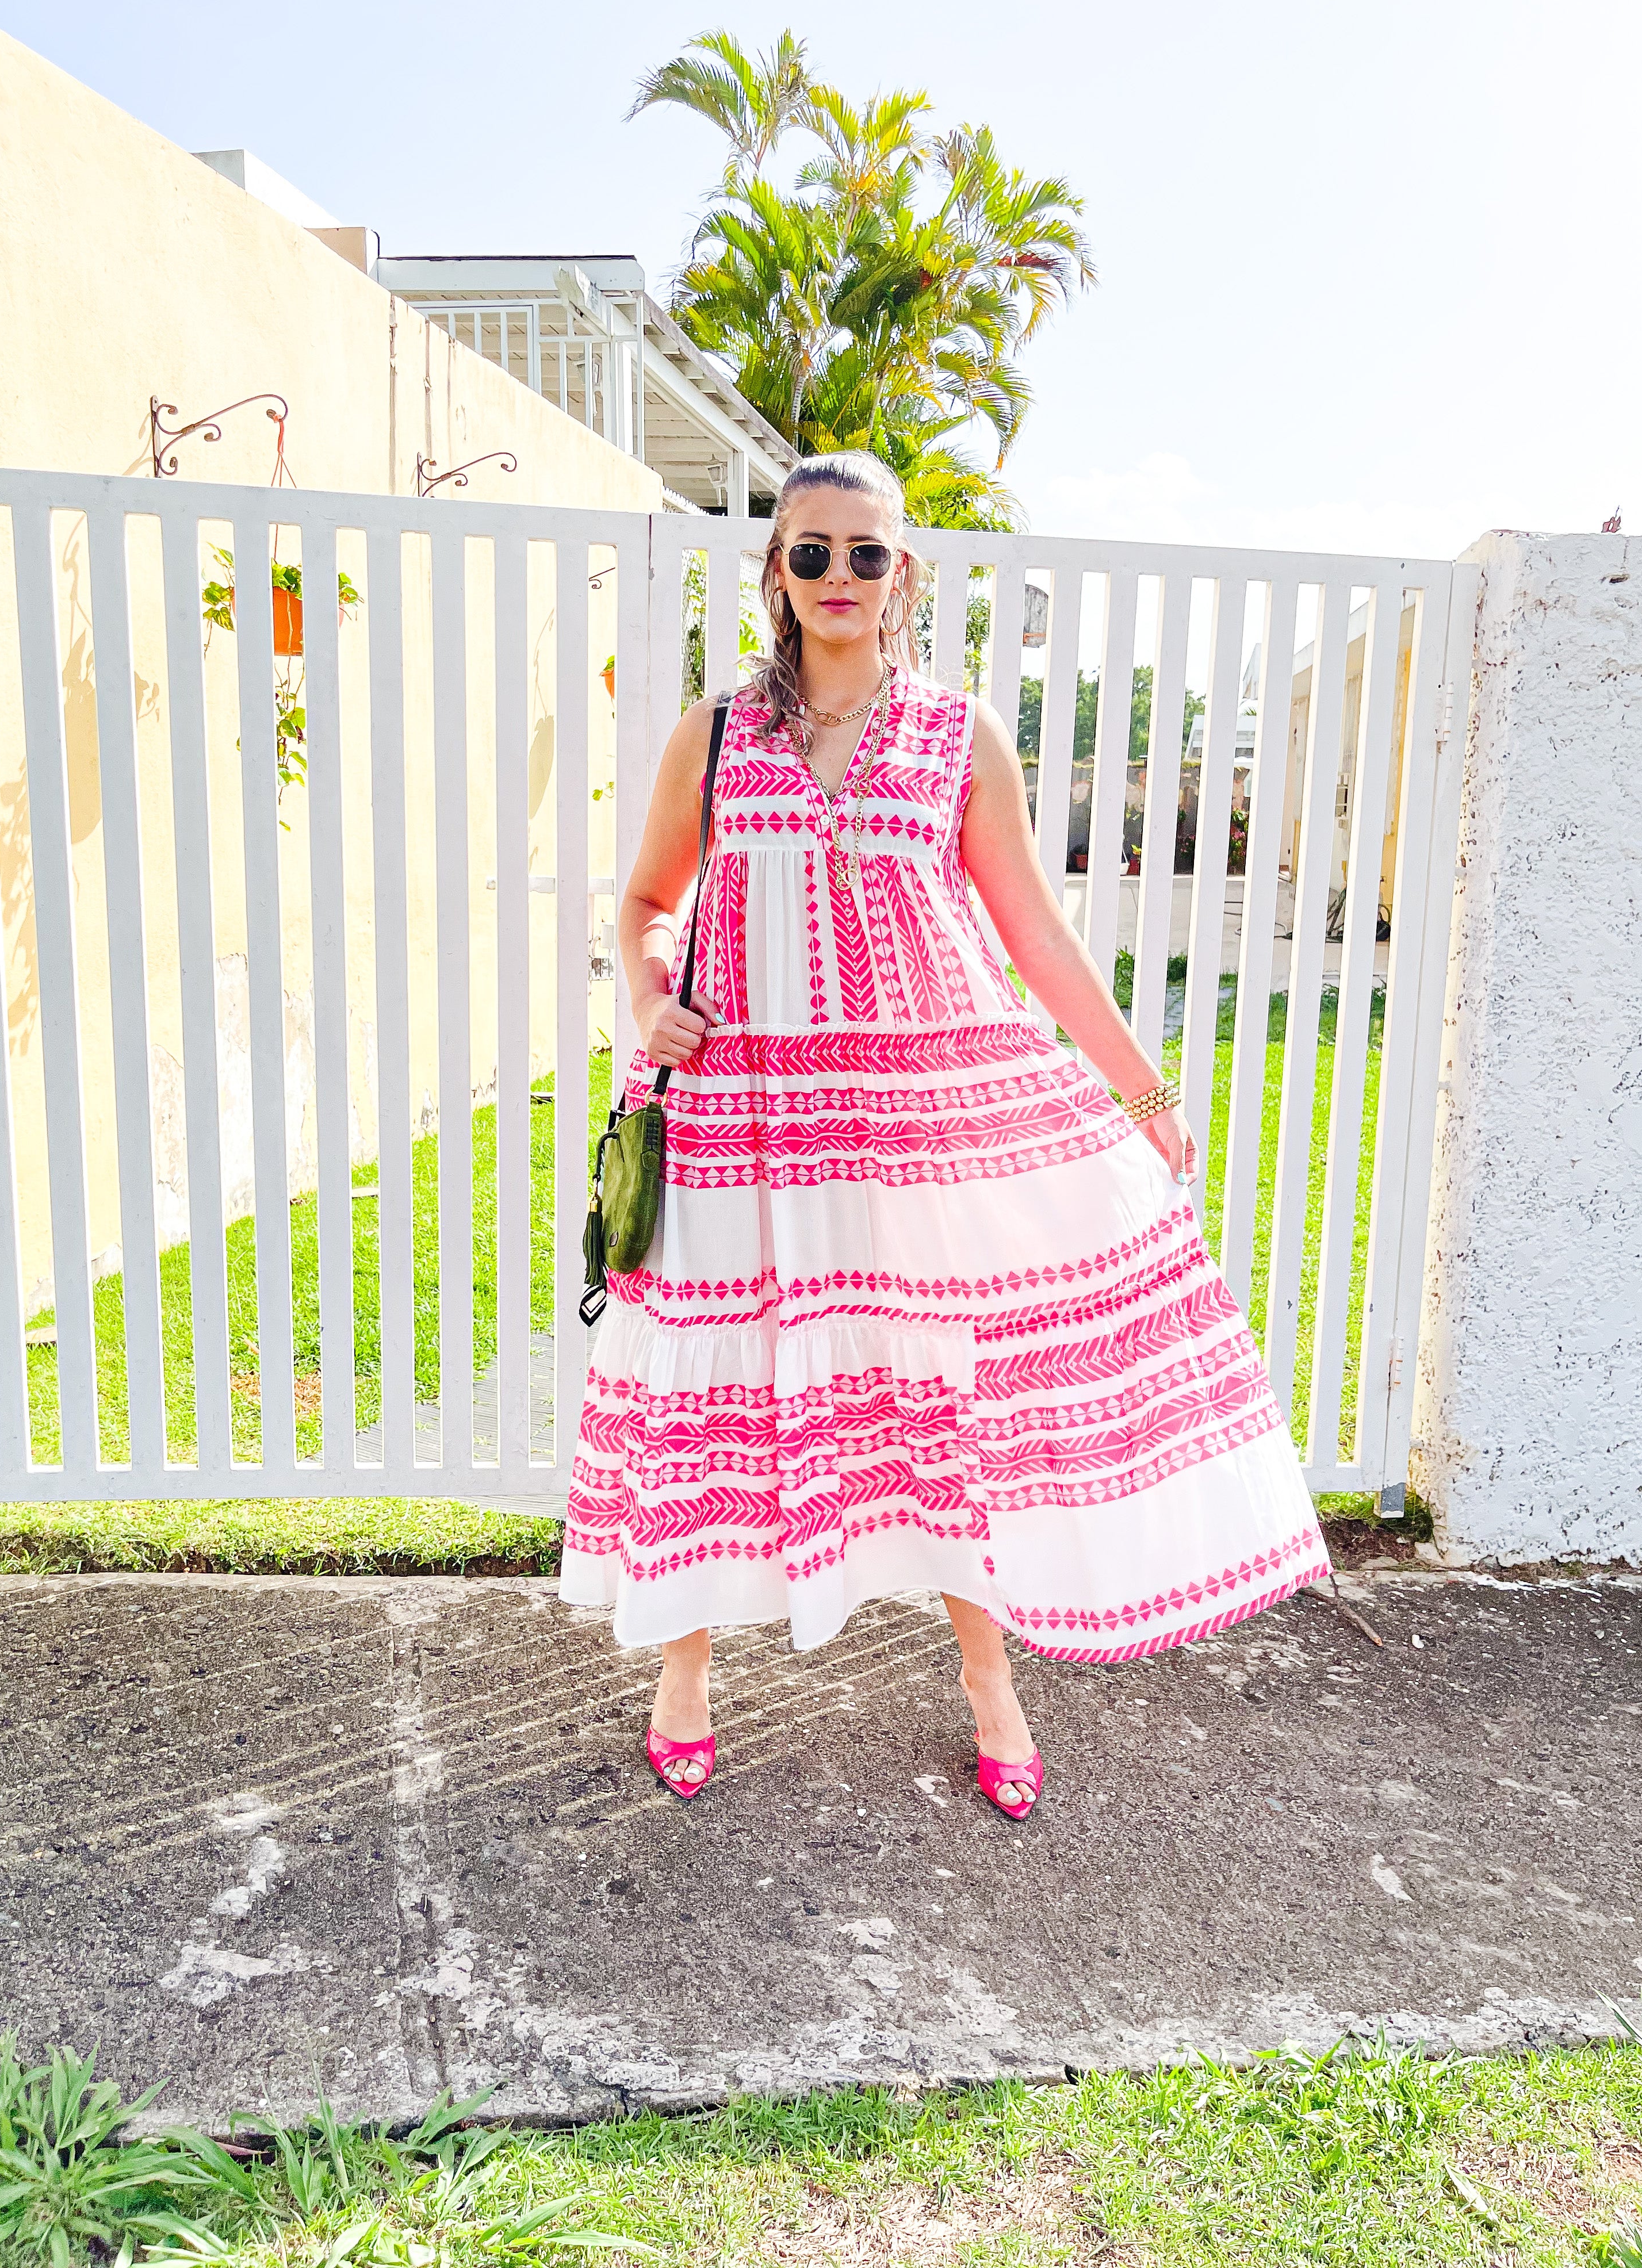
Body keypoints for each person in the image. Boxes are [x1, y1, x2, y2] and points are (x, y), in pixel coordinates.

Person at [561, 452, 1330, 1819]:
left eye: (868, 554)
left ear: (904, 573)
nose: (840, 577)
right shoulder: (718, 734)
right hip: (743, 1113)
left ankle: (991, 1683)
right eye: (813, 553)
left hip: (923, 1118)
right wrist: (647, 993)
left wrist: (1142, 1095)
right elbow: (642, 903)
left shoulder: (959, 733)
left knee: (942, 1398)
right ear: (777, 573)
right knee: (710, 1389)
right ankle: (683, 1677)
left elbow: (1033, 928)